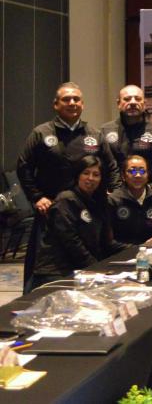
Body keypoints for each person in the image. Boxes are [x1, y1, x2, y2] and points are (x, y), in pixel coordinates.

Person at [17, 82, 121, 291]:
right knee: (48, 267)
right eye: (66, 99)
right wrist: (36, 197)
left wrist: (114, 195)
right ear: (56, 104)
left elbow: (111, 168)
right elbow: (23, 166)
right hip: (51, 209)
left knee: (85, 259)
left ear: (82, 104)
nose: (72, 103)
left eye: (76, 99)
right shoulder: (41, 133)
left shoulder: (95, 134)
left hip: (87, 210)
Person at [30, 156, 124, 291]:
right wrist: (95, 268)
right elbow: (71, 242)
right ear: (77, 175)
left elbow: (107, 243)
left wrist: (139, 248)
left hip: (81, 269)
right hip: (56, 272)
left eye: (96, 175)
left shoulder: (99, 202)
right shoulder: (66, 200)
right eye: (86, 173)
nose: (90, 178)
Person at [100, 85, 152, 183]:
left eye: (138, 99)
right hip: (113, 189)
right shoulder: (105, 131)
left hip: (148, 189)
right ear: (118, 104)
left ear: (144, 104)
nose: (133, 102)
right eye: (127, 99)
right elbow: (101, 166)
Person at [108, 155, 152, 244]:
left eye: (142, 171)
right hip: (124, 250)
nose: (138, 175)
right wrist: (137, 249)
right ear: (123, 176)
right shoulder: (113, 200)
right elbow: (109, 239)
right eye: (132, 171)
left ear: (147, 175)